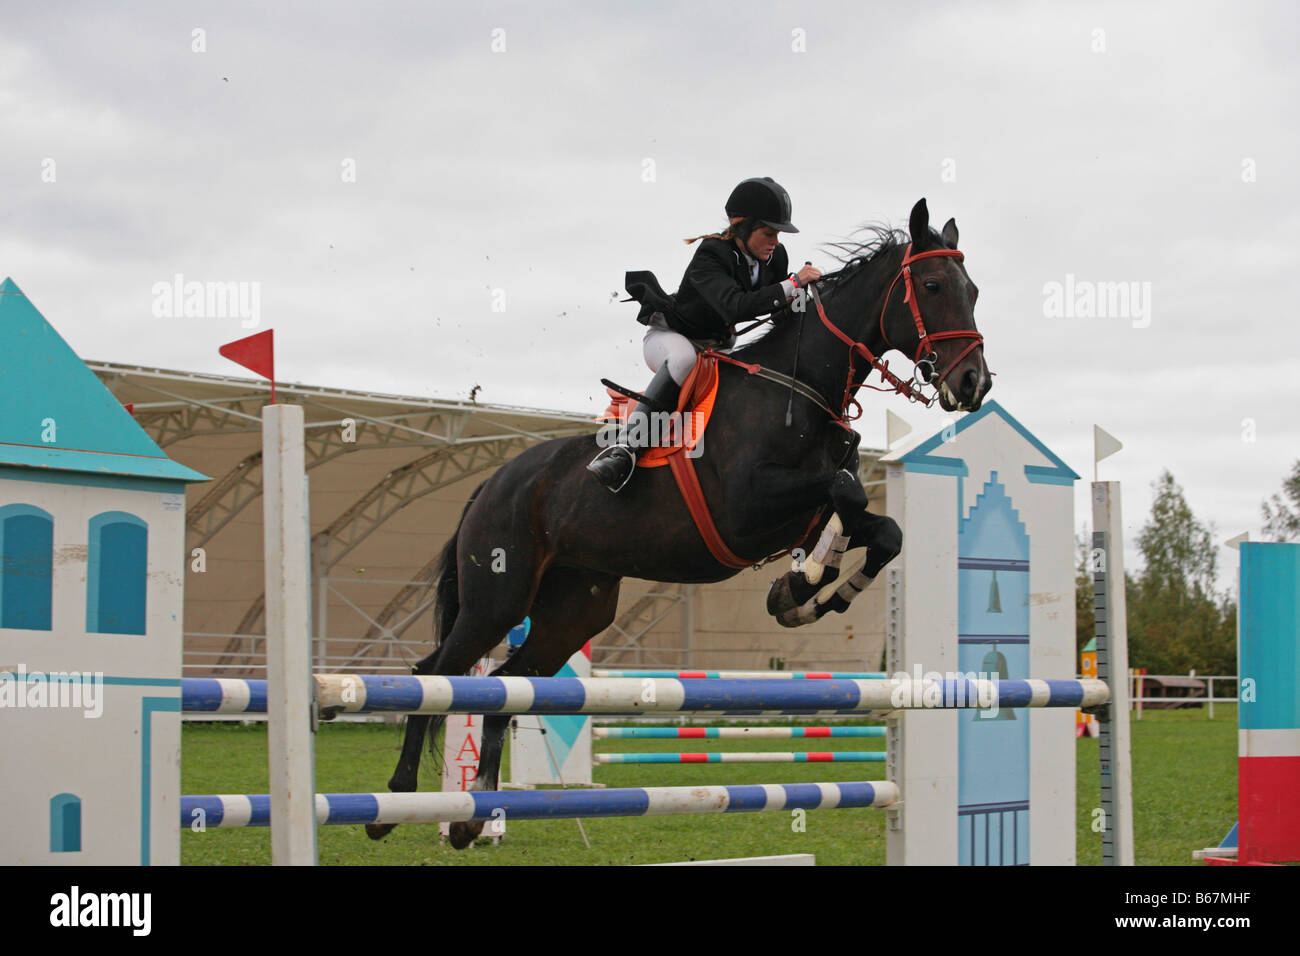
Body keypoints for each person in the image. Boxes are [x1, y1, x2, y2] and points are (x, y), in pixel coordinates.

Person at [588, 176, 822, 492]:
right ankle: (624, 450)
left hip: (718, 349)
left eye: (778, 234)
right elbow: (736, 307)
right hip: (670, 338)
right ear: (743, 227)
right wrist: (792, 284)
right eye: (768, 233)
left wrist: (803, 298)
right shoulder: (712, 254)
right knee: (684, 359)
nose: (775, 241)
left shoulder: (774, 259)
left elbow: (775, 305)